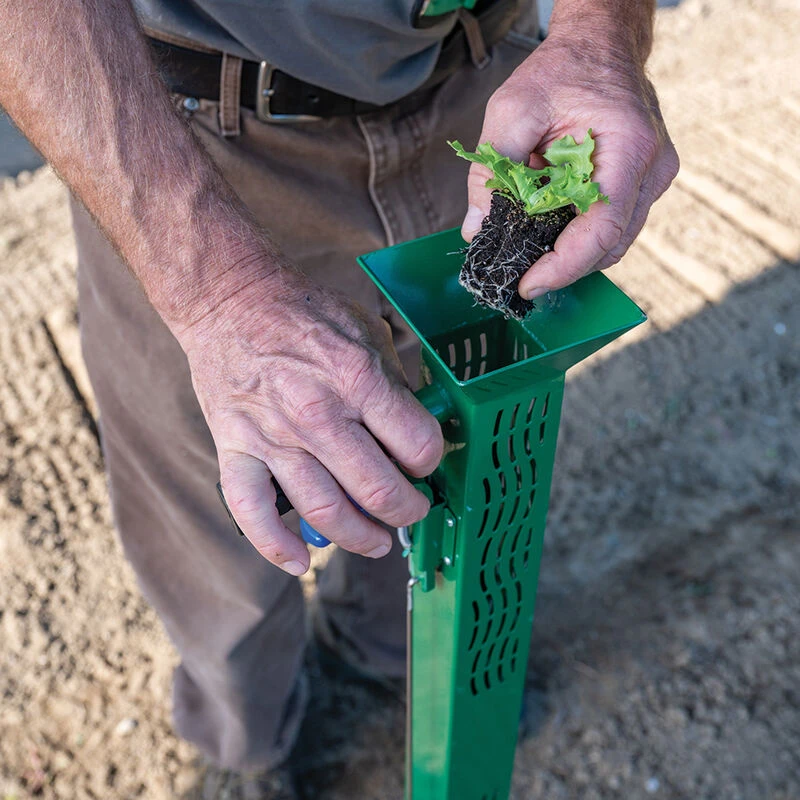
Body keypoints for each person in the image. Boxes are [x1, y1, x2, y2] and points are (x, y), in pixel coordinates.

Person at [0, 0, 678, 796]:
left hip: (486, 95)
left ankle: (394, 651)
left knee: (441, 463)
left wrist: (600, 36)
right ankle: (247, 741)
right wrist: (220, 296)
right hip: (190, 138)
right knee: (229, 513)